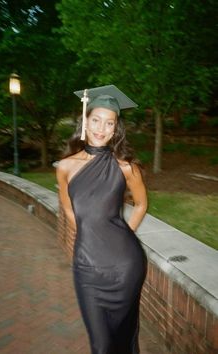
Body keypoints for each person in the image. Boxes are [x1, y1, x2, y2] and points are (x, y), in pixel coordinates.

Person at [56, 85, 148, 354]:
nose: (101, 128)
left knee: (124, 334)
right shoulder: (65, 167)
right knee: (101, 345)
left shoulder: (126, 168)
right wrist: (89, 237)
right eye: (96, 120)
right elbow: (69, 210)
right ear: (85, 121)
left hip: (124, 266)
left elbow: (141, 204)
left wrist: (124, 233)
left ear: (116, 129)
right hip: (87, 268)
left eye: (110, 123)